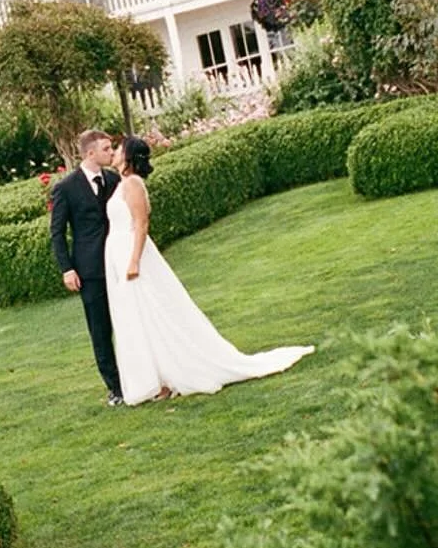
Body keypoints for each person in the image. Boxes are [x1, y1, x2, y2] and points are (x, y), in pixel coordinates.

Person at [105, 134, 313, 405]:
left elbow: (141, 224)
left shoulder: (132, 183)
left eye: (119, 148)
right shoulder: (122, 183)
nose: (115, 152)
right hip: (120, 255)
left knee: (153, 312)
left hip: (134, 256)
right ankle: (158, 378)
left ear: (128, 155)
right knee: (139, 315)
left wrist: (133, 261)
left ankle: (169, 376)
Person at [49, 129, 123, 405]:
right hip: (90, 270)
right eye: (106, 148)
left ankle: (135, 376)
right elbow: (57, 233)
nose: (111, 152)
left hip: (118, 260)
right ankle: (115, 387)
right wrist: (67, 268)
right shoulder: (66, 188)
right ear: (90, 152)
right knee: (100, 329)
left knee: (127, 320)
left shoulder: (114, 179)